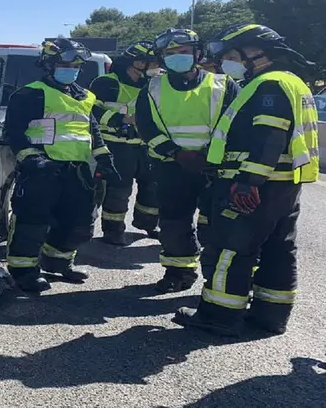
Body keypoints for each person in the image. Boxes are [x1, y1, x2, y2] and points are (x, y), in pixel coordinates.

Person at [174, 23, 319, 336]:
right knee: (279, 249)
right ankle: (271, 315)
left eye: (231, 56)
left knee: (231, 248)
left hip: (253, 186)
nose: (227, 62)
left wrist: (247, 180)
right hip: (283, 185)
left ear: (256, 53)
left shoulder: (269, 85)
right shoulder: (291, 81)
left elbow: (269, 136)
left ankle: (218, 314)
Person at [4, 38, 122, 292]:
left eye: (76, 66)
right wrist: (31, 158)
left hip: (77, 170)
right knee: (32, 222)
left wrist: (104, 158)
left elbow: (92, 131)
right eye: (66, 65)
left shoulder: (85, 96)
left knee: (79, 222)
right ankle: (23, 272)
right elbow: (13, 132)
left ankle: (58, 262)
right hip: (42, 170)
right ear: (49, 65)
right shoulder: (30, 94)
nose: (72, 70)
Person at [135, 28, 240, 292]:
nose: (177, 57)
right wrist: (177, 153)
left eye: (182, 51)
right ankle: (179, 273)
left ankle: (217, 280)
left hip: (215, 168)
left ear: (197, 53)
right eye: (170, 53)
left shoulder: (223, 85)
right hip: (172, 167)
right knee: (173, 223)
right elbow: (146, 127)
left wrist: (208, 156)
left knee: (217, 225)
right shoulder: (152, 88)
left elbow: (236, 124)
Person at [90, 40, 162, 245]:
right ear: (138, 63)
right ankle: (113, 230)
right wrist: (120, 120)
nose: (157, 66)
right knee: (119, 191)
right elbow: (92, 111)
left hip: (146, 145)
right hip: (117, 145)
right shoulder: (107, 83)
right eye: (153, 62)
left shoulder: (153, 85)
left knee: (153, 186)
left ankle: (148, 223)